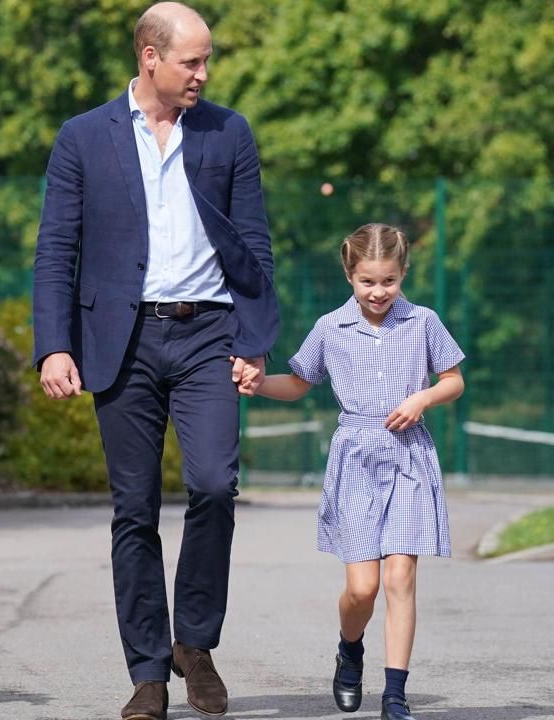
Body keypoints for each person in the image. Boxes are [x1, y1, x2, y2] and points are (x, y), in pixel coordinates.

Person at [30, 2, 279, 717]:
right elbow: (57, 250)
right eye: (191, 61)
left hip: (208, 334)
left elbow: (254, 242)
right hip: (122, 341)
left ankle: (193, 643)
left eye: (207, 61)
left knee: (211, 486)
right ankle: (147, 670)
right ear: (149, 56)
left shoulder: (229, 132)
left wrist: (254, 339)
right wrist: (54, 344)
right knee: (133, 510)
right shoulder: (83, 137)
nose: (203, 73)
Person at [244, 223, 464, 720]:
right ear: (350, 275)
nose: (379, 291)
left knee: (400, 578)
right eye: (368, 281)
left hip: (409, 455)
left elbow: (453, 380)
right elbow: (299, 382)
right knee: (362, 589)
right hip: (356, 460)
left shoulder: (423, 321)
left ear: (403, 273)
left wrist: (424, 396)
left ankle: (394, 694)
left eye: (389, 280)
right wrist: (255, 384)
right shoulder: (330, 328)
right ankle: (349, 648)